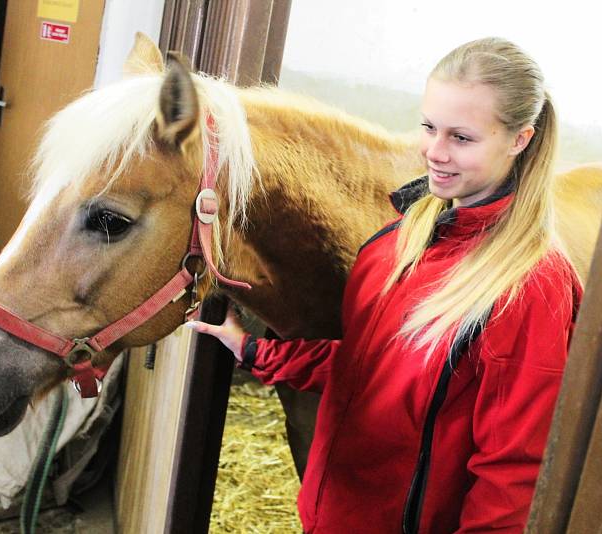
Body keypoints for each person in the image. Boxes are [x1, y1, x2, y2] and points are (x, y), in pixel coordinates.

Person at [190, 37, 582, 533]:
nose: (434, 153)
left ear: (520, 139)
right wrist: (255, 352)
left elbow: (514, 473)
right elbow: (373, 370)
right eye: (428, 127)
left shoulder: (532, 286)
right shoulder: (402, 238)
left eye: (461, 138)